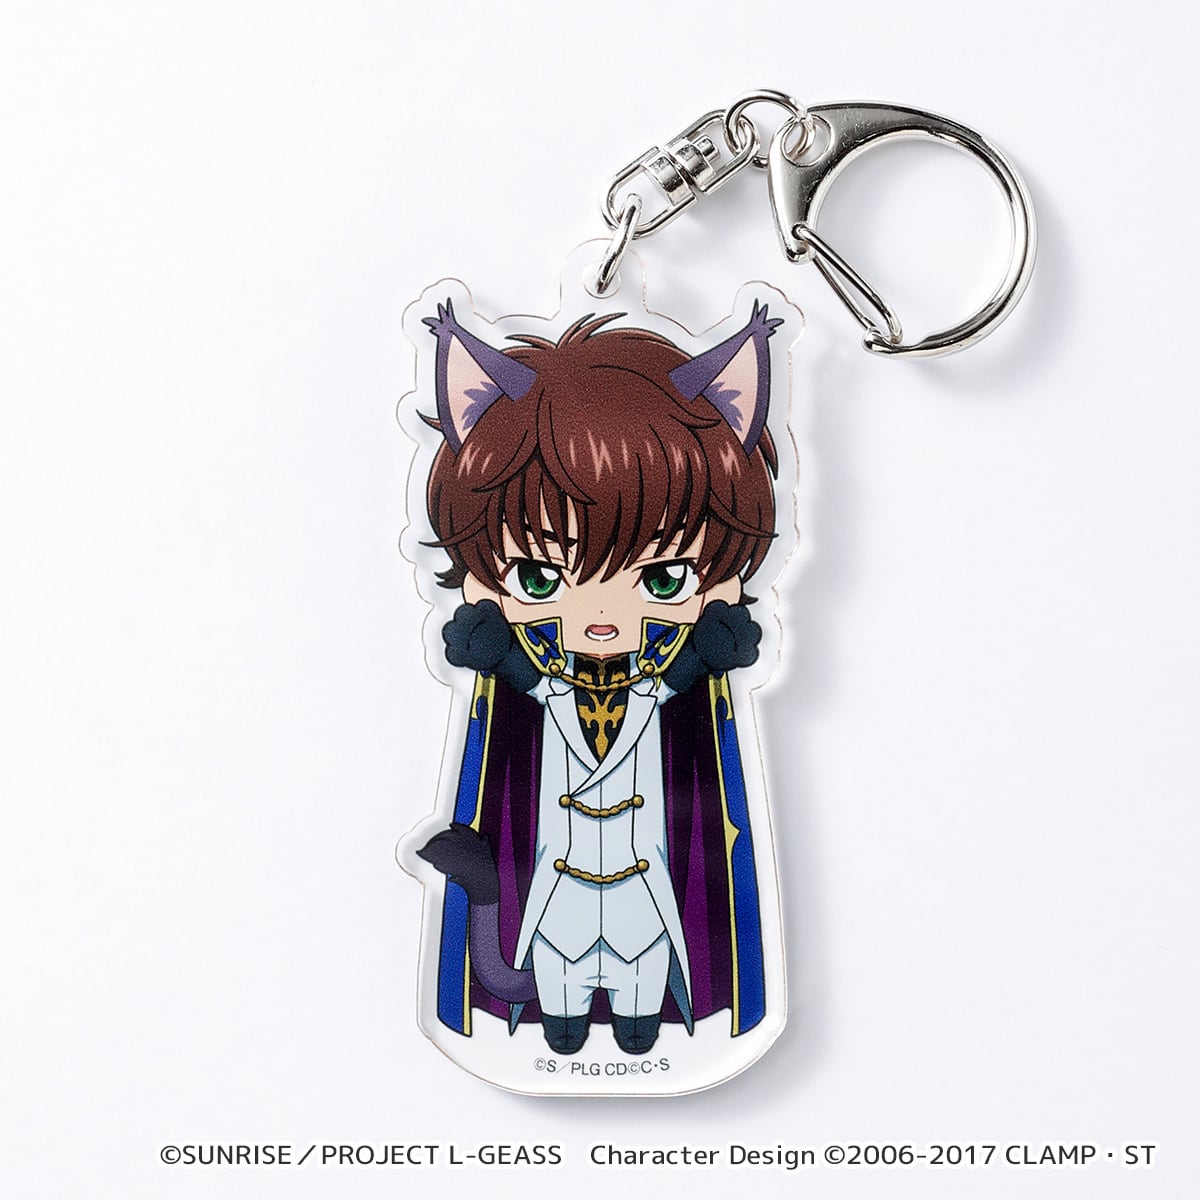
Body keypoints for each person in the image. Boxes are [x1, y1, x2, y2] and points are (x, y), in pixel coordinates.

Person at [415, 299, 780, 1055]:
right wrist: (490, 638)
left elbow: (684, 681)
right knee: (562, 1034)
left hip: (651, 913)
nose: (602, 618)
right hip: (556, 914)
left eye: (663, 575)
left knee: (643, 1036)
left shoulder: (658, 682)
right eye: (542, 577)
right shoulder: (544, 680)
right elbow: (519, 680)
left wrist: (713, 640)